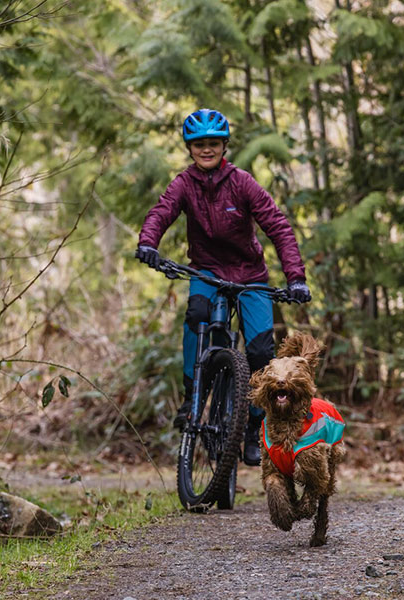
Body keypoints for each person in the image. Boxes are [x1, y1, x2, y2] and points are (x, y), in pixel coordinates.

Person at [134, 108, 311, 466]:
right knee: (198, 315)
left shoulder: (242, 182)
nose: (206, 150)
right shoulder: (183, 184)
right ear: (189, 148)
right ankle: (192, 397)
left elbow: (277, 225)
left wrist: (295, 278)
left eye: (213, 143)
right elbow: (162, 211)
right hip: (207, 271)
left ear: (224, 145)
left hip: (249, 275)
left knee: (261, 352)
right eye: (199, 144)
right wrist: (148, 243)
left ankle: (253, 429)